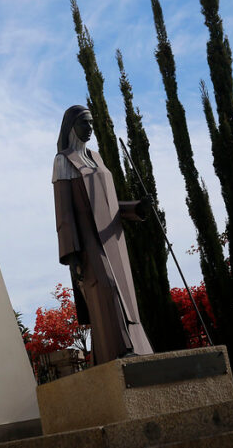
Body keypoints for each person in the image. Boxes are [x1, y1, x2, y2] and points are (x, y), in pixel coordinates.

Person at [53, 105, 153, 364]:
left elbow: (110, 204)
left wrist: (137, 208)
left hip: (113, 239)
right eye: (85, 123)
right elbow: (63, 212)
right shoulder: (64, 160)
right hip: (87, 240)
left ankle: (134, 349)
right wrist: (70, 253)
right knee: (107, 289)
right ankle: (119, 350)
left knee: (127, 298)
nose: (90, 128)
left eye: (92, 123)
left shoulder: (97, 158)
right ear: (71, 126)